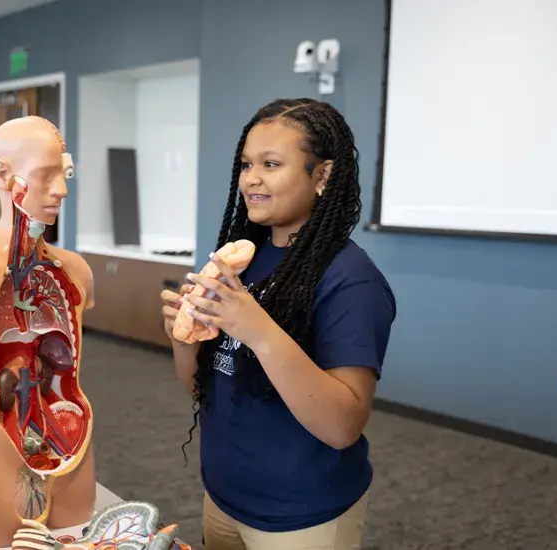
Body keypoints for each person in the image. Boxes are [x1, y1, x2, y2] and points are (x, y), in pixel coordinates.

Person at [160, 98, 396, 549]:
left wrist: (259, 330)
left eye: (271, 163)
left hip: (300, 517)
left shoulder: (351, 279)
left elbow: (344, 425)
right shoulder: (242, 256)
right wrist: (184, 337)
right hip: (223, 500)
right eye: (247, 164)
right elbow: (202, 387)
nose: (251, 178)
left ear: (322, 175)